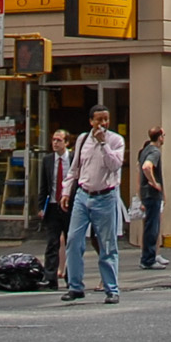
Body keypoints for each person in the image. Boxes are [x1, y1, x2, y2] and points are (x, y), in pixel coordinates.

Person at [61, 106, 126, 303]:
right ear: (91, 121)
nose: (103, 124)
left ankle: (111, 289)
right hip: (83, 195)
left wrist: (103, 144)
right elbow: (74, 169)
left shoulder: (115, 140)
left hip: (106, 196)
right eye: (99, 120)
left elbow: (115, 165)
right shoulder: (82, 140)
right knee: (73, 239)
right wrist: (66, 191)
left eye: (106, 119)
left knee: (107, 244)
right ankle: (75, 286)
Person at [37, 128, 72, 286]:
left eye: (59, 140)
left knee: (72, 242)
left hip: (70, 207)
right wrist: (41, 207)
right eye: (53, 140)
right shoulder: (48, 160)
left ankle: (71, 277)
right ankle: (50, 277)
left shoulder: (72, 159)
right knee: (52, 242)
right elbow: (44, 185)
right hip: (52, 205)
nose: (55, 143)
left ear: (66, 142)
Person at [137, 125, 168, 271]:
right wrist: (154, 183)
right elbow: (146, 167)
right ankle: (148, 259)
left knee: (149, 226)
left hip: (145, 193)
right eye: (163, 135)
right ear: (159, 137)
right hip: (152, 195)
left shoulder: (144, 150)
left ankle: (149, 256)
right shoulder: (155, 152)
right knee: (152, 227)